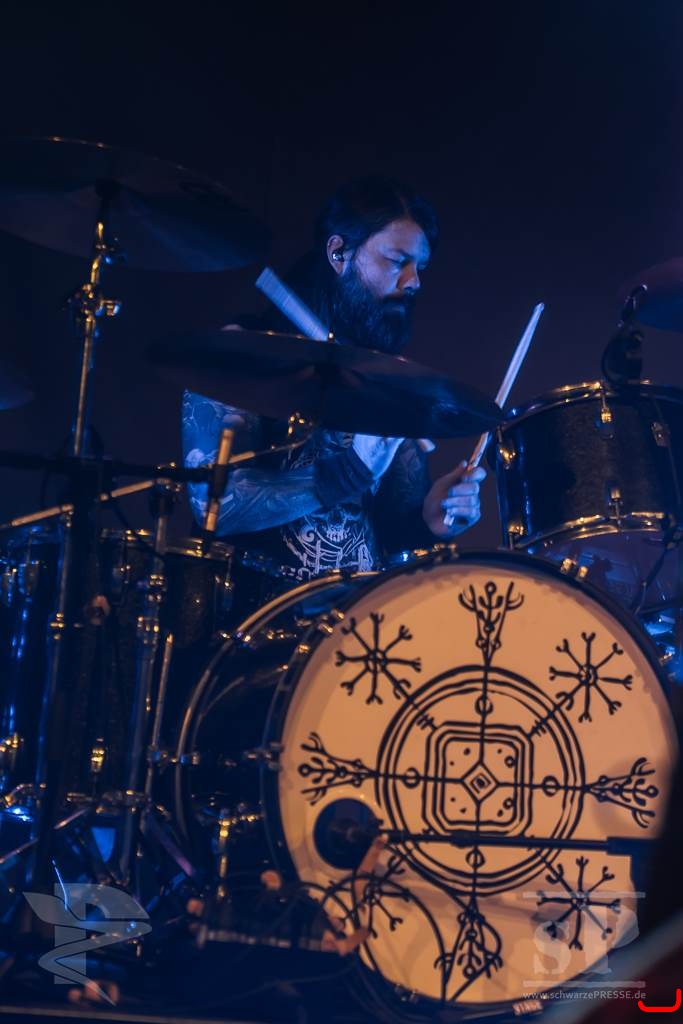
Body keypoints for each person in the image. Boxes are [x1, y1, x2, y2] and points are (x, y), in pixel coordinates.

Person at [182, 176, 486, 583]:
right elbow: (216, 507)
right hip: (253, 613)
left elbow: (392, 530)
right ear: (338, 253)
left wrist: (432, 518)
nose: (414, 281)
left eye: (420, 267)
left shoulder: (387, 377)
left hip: (359, 615)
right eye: (398, 262)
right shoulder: (242, 355)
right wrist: (348, 472)